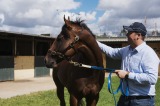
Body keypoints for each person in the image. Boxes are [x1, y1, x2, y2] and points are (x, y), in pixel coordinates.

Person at [97, 22, 159, 106]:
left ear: (138, 35)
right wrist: (93, 40)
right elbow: (111, 52)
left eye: (129, 32)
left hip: (142, 100)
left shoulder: (148, 53)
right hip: (125, 99)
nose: (126, 34)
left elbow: (152, 78)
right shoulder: (127, 50)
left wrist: (127, 75)